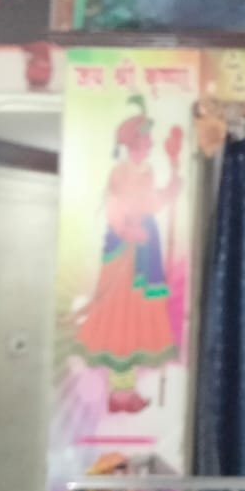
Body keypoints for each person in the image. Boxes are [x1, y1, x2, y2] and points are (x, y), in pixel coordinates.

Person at [75, 100, 182, 415]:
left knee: (137, 320)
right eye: (145, 139)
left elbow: (152, 203)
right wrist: (127, 230)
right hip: (124, 254)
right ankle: (118, 393)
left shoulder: (146, 171)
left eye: (149, 139)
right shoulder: (120, 172)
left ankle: (125, 391)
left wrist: (172, 180)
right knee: (121, 317)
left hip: (145, 250)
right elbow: (115, 207)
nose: (149, 144)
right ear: (133, 142)